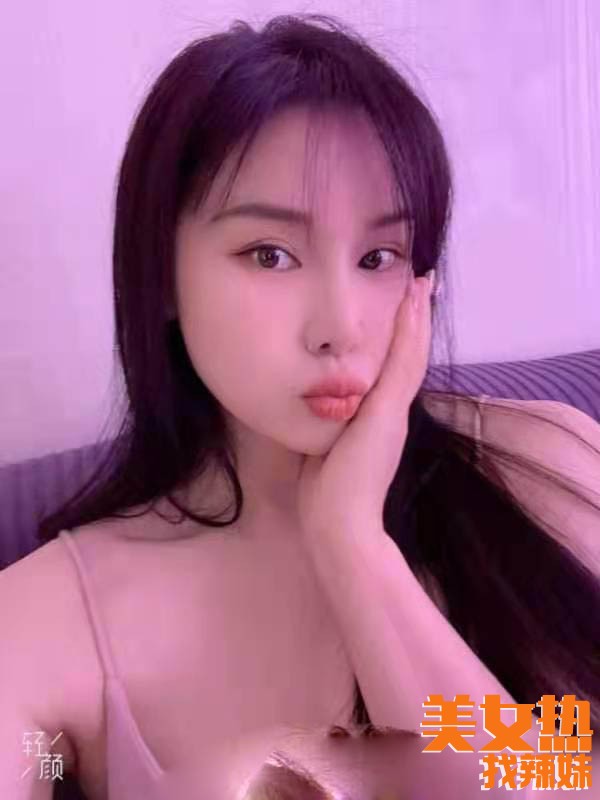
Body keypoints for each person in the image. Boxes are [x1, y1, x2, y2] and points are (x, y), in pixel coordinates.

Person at [1, 12, 599, 800]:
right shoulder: (46, 620)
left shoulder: (548, 464)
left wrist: (351, 544)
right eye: (271, 254)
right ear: (162, 276)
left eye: (379, 256)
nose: (341, 327)